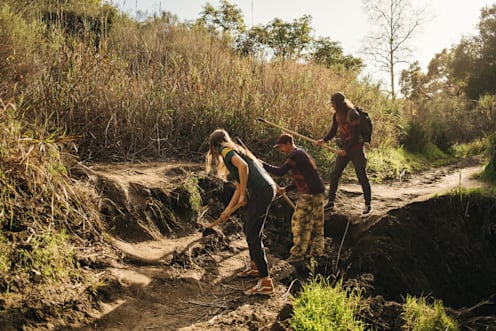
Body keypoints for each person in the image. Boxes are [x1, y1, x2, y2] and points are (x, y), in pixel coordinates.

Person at [206, 129, 276, 295]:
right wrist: (228, 209)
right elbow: (238, 186)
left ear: (214, 147)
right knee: (248, 228)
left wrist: (244, 194)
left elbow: (243, 168)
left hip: (262, 190)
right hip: (264, 189)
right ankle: (255, 266)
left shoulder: (226, 150)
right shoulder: (236, 150)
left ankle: (265, 281)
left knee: (253, 234)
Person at [262, 133, 326, 263]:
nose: (281, 150)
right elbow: (303, 177)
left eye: (281, 147)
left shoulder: (295, 155)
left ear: (288, 143)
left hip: (310, 195)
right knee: (316, 224)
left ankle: (298, 254)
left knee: (299, 223)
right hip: (318, 192)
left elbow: (280, 172)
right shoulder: (301, 154)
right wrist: (286, 189)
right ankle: (317, 253)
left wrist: (262, 164)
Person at [316, 92, 372, 216]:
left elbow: (356, 135)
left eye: (333, 103)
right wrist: (324, 140)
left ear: (339, 103)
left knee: (361, 176)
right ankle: (331, 202)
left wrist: (346, 150)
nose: (332, 105)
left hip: (356, 149)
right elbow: (333, 130)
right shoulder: (336, 115)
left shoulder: (353, 114)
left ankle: (368, 204)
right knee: (335, 174)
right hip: (345, 148)